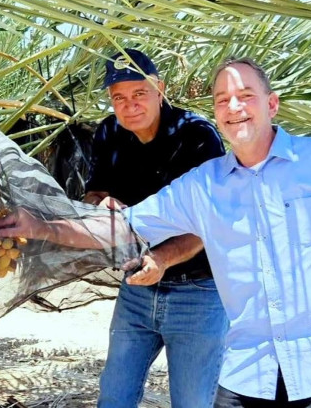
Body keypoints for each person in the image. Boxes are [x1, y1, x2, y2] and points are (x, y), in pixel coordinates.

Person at [0, 57, 311, 407]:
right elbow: (122, 225)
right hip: (249, 371)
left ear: (271, 104)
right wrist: (40, 226)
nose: (234, 106)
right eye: (223, 99)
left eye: (245, 96)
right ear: (217, 112)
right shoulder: (204, 184)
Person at [84, 48, 228, 408]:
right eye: (119, 97)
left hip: (198, 292)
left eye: (139, 93)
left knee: (193, 401)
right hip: (136, 286)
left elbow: (208, 222)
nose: (129, 105)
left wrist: (161, 259)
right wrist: (100, 205)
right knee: (113, 397)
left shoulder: (197, 137)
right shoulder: (109, 133)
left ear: (159, 89)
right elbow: (95, 192)